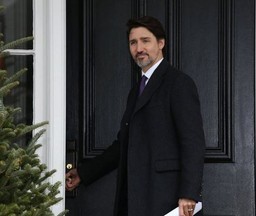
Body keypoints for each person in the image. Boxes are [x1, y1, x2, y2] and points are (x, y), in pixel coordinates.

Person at [66, 16, 205, 216]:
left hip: (167, 198)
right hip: (134, 199)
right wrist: (84, 173)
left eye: (145, 40)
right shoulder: (136, 91)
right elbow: (124, 143)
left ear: (161, 43)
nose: (139, 48)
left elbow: (193, 142)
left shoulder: (178, 83)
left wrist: (189, 194)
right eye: (133, 42)